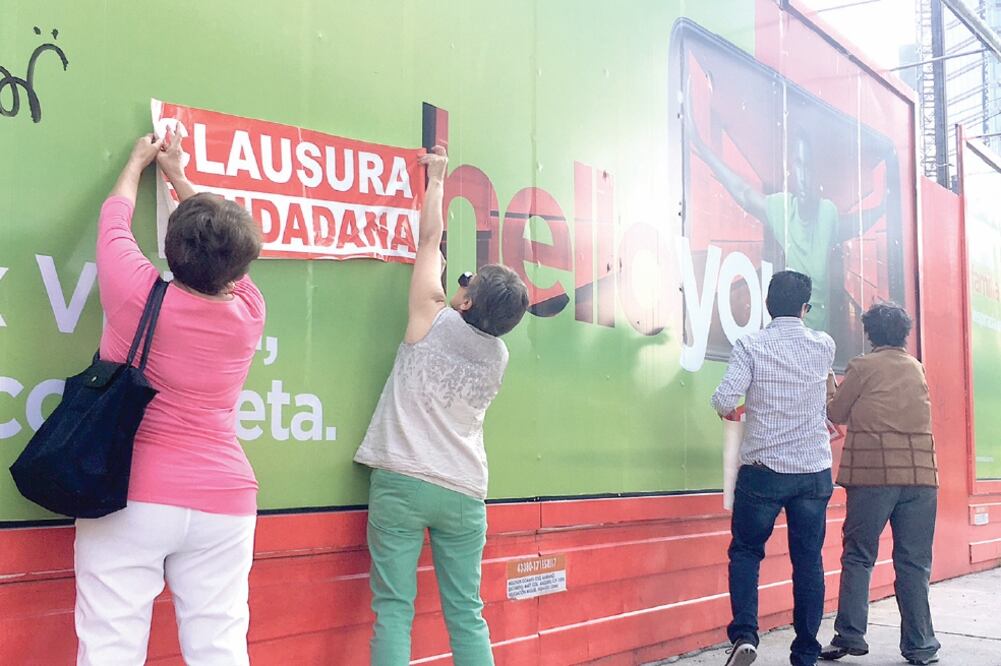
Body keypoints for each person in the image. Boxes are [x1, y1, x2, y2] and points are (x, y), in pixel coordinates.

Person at [75, 127, 265, 665]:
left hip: (130, 494)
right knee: (220, 647)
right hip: (226, 501)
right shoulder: (250, 311)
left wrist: (137, 163)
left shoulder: (135, 292)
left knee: (110, 645)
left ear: (170, 247)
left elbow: (114, 218)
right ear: (240, 269)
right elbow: (228, 248)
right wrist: (180, 175)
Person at [353, 146, 529, 665]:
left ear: (466, 300)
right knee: (467, 613)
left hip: (403, 480)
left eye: (467, 282)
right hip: (465, 493)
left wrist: (436, 181)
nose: (460, 282)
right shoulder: (499, 357)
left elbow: (429, 240)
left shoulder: (429, 315)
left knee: (393, 609)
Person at [711, 270, 836, 666]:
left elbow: (724, 398)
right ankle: (806, 652)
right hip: (813, 470)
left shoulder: (750, 345)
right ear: (805, 308)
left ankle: (745, 635)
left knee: (747, 551)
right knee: (808, 559)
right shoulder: (824, 345)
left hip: (763, 471)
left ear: (766, 304)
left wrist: (733, 410)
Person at [687, 103, 888, 334]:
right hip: (790, 334)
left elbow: (852, 225)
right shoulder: (782, 208)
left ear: (816, 174)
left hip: (818, 340)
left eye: (808, 167)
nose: (803, 177)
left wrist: (881, 209)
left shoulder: (827, 213)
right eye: (799, 166)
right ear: (792, 170)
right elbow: (743, 192)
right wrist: (699, 145)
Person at [820, 303, 940, 666]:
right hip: (921, 477)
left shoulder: (863, 366)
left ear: (869, 333)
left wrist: (828, 381)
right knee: (914, 563)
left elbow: (835, 412)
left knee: (859, 555)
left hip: (874, 476)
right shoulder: (916, 367)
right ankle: (921, 646)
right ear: (904, 333)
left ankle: (850, 635)